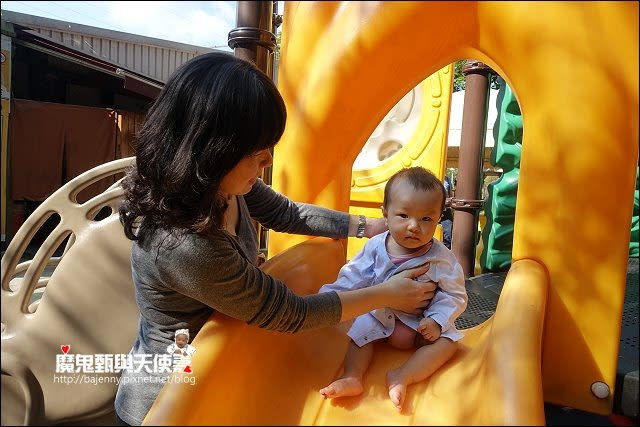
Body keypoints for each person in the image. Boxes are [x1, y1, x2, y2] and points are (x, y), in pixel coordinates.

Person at [114, 52, 436, 426]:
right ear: (211, 149)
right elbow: (290, 313)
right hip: (169, 399)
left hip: (224, 374)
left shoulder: (223, 185)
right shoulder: (184, 244)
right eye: (255, 150)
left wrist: (368, 226)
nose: (267, 159)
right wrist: (386, 294)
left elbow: (287, 213)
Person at [318, 167, 468, 412]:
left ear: (439, 218)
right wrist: (328, 298)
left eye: (426, 219)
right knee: (359, 331)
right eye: (404, 215)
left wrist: (437, 321)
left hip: (420, 327)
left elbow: (454, 294)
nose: (414, 226)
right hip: (379, 318)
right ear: (385, 214)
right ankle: (352, 376)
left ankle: (403, 376)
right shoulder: (376, 247)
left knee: (449, 343)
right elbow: (354, 275)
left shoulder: (442, 259)